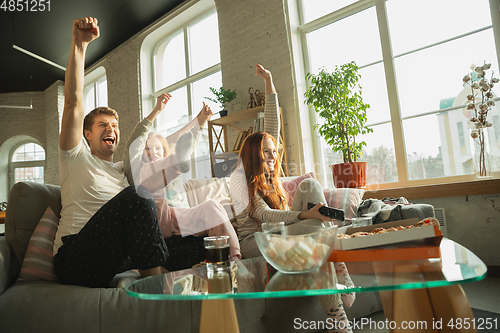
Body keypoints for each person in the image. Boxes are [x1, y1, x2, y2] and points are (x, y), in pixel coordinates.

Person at [229, 64, 355, 333]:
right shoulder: (238, 180)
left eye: (274, 151)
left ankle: (336, 263)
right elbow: (263, 216)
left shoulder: (271, 172)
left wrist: (270, 81)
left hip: (281, 232)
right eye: (266, 152)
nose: (272, 156)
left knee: (309, 184)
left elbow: (272, 123)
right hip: (256, 241)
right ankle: (337, 314)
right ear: (253, 154)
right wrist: (306, 215)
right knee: (313, 228)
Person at [54, 17, 167, 288]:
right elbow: (72, 103)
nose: (111, 130)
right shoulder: (75, 156)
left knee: (193, 244)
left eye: (115, 126)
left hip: (113, 257)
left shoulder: (120, 173)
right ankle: (160, 290)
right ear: (87, 134)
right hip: (76, 257)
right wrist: (80, 45)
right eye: (102, 125)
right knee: (138, 196)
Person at [123, 94, 241, 271]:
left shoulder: (172, 162)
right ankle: (175, 162)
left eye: (158, 149)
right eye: (147, 149)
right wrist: (156, 111)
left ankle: (233, 259)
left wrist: (200, 122)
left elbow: (187, 148)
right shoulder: (139, 168)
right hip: (156, 219)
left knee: (212, 206)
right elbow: (134, 143)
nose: (153, 152)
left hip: (182, 217)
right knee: (150, 175)